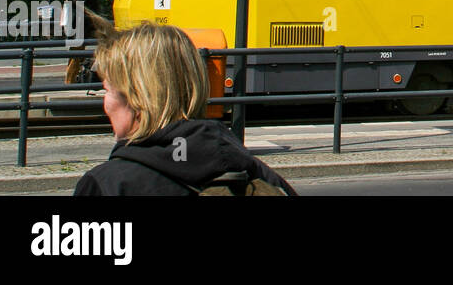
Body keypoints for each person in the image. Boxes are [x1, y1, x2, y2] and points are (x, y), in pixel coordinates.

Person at [74, 22, 295, 196]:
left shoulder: (106, 185)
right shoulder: (258, 176)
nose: (106, 105)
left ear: (138, 98)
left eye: (108, 91)